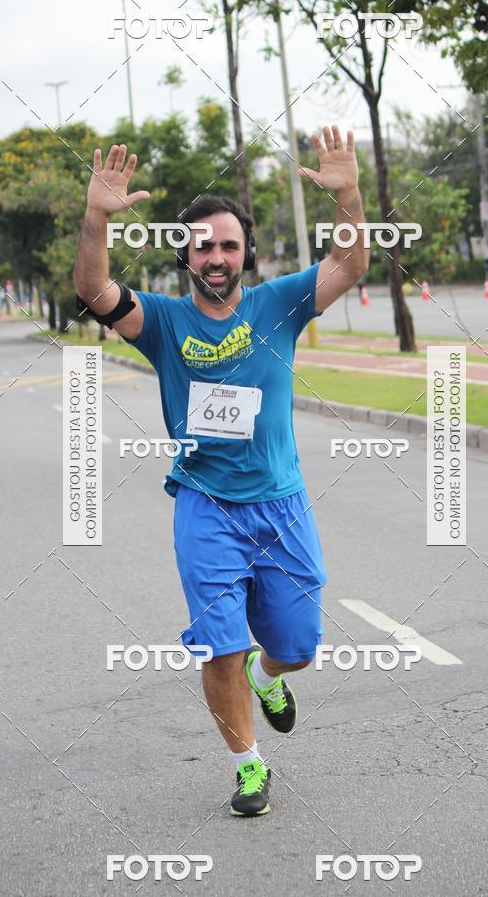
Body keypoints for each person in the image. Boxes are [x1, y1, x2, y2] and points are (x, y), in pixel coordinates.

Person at [73, 126, 369, 817]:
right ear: (185, 254)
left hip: (281, 505)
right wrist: (96, 219)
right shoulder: (164, 322)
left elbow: (349, 267)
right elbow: (93, 289)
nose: (215, 254)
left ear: (245, 254)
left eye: (228, 244)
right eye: (202, 243)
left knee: (295, 646)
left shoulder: (279, 304)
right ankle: (249, 767)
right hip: (205, 506)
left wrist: (349, 194)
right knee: (220, 645)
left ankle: (272, 680)